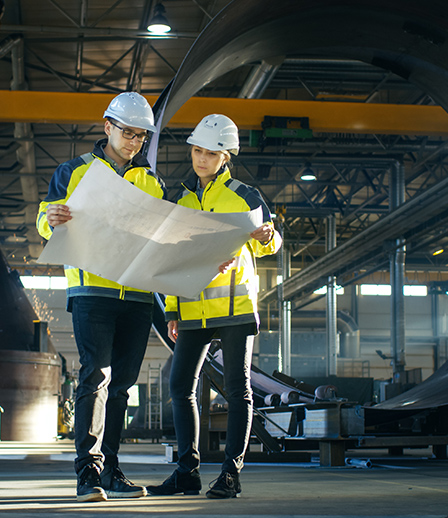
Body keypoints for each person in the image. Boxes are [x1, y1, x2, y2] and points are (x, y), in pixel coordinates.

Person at [36, 92, 165, 503]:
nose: (134, 142)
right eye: (128, 132)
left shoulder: (153, 182)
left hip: (140, 295)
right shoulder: (74, 171)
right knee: (95, 378)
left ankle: (111, 471)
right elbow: (46, 218)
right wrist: (49, 220)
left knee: (123, 387)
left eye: (141, 136)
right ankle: (87, 474)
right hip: (93, 290)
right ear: (107, 126)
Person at [148, 114, 281, 499]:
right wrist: (171, 310)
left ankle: (230, 474)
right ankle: (187, 472)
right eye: (196, 150)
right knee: (180, 386)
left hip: (234, 307)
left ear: (226, 156)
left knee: (237, 390)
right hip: (190, 308)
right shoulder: (180, 200)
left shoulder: (244, 195)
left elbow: (269, 243)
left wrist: (268, 235)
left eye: (210, 152)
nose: (201, 158)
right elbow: (171, 259)